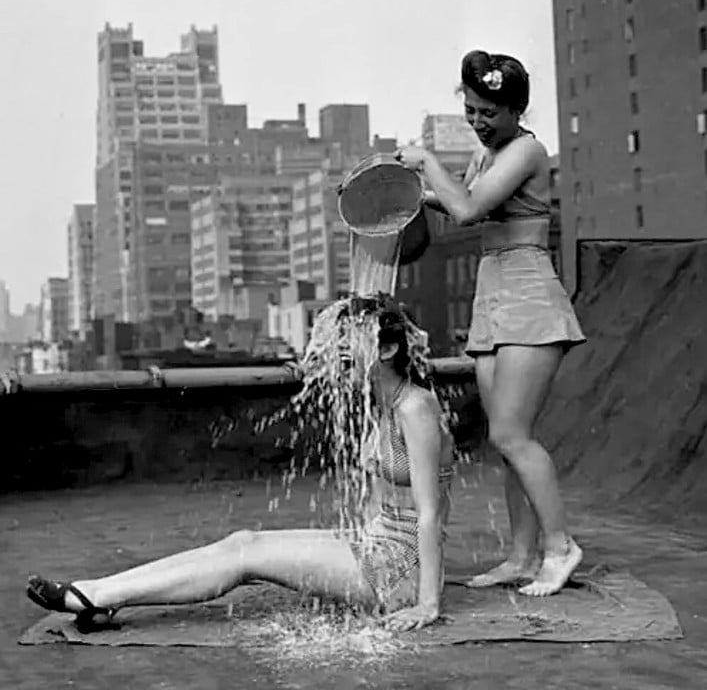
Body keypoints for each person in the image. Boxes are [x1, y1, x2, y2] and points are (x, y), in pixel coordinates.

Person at [26, 304, 455, 634]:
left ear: (387, 349)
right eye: (339, 338)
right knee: (244, 541)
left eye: (352, 337)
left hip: (398, 570)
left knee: (246, 555)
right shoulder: (378, 402)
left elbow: (431, 512)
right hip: (375, 543)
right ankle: (105, 594)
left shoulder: (415, 406)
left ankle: (94, 596)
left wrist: (427, 603)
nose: (341, 347)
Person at [396, 49, 585, 597]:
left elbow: (470, 210)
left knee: (511, 433)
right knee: (505, 442)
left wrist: (427, 161)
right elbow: (456, 200)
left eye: (489, 113)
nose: (479, 122)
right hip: (492, 296)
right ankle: (522, 556)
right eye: (472, 111)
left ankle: (560, 546)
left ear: (516, 109)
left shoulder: (527, 150)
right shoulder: (485, 157)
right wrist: (401, 189)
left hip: (529, 298)